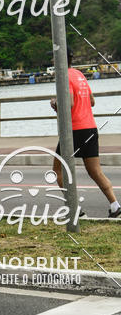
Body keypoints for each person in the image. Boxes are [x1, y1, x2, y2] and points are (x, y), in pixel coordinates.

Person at [50, 49, 120, 218]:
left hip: (74, 131)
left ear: (57, 60)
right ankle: (115, 205)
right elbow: (92, 101)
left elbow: (70, 102)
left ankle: (75, 209)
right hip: (90, 127)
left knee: (57, 170)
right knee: (95, 171)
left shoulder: (63, 76)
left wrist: (56, 104)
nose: (52, 62)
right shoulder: (79, 75)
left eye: (53, 58)